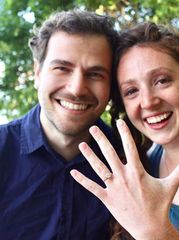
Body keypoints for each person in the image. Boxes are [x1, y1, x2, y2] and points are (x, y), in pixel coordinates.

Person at [70, 22, 179, 239]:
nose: (148, 102)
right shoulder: (143, 167)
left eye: (162, 80)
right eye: (131, 91)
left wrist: (152, 228)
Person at [0, 9, 119, 239]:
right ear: (37, 73)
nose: (76, 89)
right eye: (62, 68)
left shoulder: (128, 162)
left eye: (95, 74)